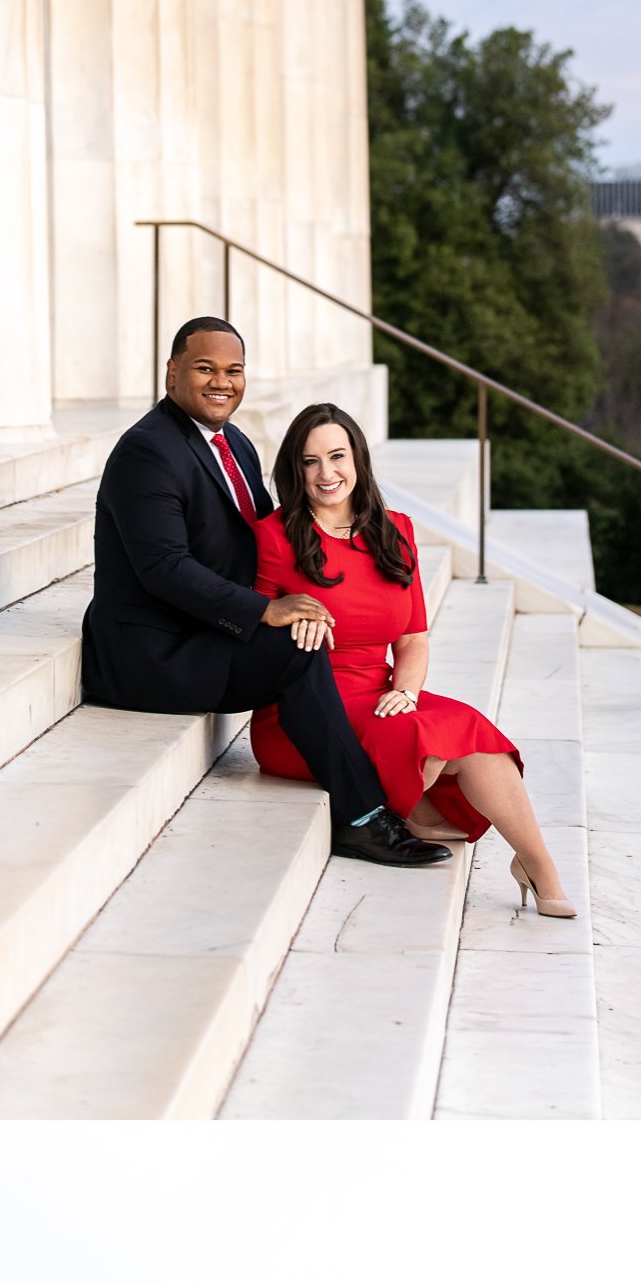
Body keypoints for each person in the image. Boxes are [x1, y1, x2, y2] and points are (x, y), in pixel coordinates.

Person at [83, 316, 446, 870]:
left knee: (301, 635)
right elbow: (163, 567)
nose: (220, 381)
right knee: (296, 650)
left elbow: (267, 535)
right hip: (151, 655)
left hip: (204, 634)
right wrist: (267, 608)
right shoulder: (147, 452)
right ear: (172, 372)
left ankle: (375, 806)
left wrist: (324, 586)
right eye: (204, 368)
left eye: (234, 370)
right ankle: (363, 820)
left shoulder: (234, 443)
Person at [251, 404, 575, 916]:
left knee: (469, 730)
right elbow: (254, 623)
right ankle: (416, 810)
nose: (326, 473)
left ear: (358, 458)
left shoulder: (395, 531)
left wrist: (405, 691)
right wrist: (283, 619)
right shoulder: (275, 536)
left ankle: (537, 865)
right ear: (295, 469)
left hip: (380, 692)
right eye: (310, 462)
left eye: (337, 456)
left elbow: (413, 640)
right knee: (424, 737)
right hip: (306, 712)